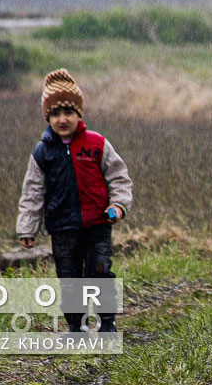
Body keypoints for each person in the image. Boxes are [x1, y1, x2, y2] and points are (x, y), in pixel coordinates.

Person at [16, 69, 133, 332]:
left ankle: (107, 325)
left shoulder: (97, 144)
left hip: (98, 224)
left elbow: (119, 176)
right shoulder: (42, 153)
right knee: (69, 279)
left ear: (79, 114)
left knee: (100, 274)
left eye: (68, 112)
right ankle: (76, 327)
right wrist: (27, 227)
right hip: (62, 228)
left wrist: (118, 205)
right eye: (55, 114)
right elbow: (33, 192)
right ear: (48, 117)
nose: (62, 119)